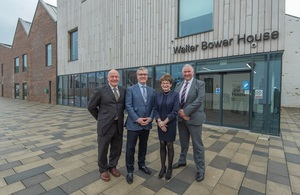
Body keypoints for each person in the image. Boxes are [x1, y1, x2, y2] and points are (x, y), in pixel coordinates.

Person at [88, 69, 126, 182]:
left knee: (116, 147)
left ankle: (113, 166)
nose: (114, 79)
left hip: (118, 124)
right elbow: (91, 107)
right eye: (112, 76)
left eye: (116, 77)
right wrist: (100, 118)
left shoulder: (122, 90)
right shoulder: (100, 90)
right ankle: (103, 169)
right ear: (108, 78)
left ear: (119, 78)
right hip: (105, 125)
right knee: (103, 148)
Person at [172, 64, 206, 182]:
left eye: (189, 71)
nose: (187, 73)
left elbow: (199, 100)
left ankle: (201, 169)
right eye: (185, 72)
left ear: (193, 72)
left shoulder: (200, 84)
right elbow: (175, 100)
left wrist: (185, 112)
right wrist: (180, 113)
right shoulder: (178, 84)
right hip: (181, 120)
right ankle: (182, 161)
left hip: (194, 119)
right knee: (183, 142)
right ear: (182, 73)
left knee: (197, 146)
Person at [125, 67, 156, 184]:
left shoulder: (152, 91)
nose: (143, 76)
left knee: (143, 146)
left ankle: (142, 164)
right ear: (137, 76)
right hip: (134, 124)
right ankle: (129, 170)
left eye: (145, 74)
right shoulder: (130, 89)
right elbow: (128, 106)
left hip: (146, 124)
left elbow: (154, 106)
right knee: (130, 148)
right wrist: (137, 119)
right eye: (141, 74)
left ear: (147, 76)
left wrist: (151, 118)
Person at [154, 74, 179, 180]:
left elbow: (175, 111)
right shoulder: (158, 96)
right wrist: (159, 122)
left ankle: (169, 168)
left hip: (170, 123)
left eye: (167, 83)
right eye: (163, 83)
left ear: (171, 84)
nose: (165, 85)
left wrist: (165, 122)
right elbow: (155, 109)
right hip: (160, 123)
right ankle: (162, 167)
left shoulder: (175, 95)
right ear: (161, 84)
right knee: (162, 144)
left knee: (169, 145)